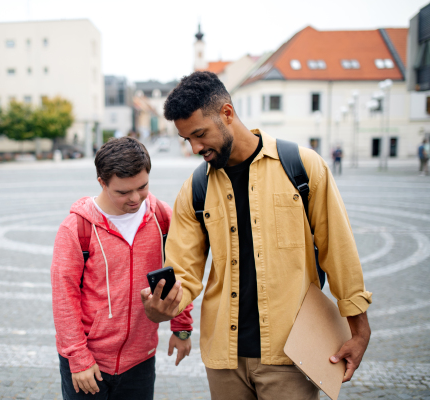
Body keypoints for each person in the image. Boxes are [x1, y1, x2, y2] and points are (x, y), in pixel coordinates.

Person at [141, 72, 372, 400]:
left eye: (200, 134)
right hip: (224, 360)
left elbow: (339, 251)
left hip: (291, 354)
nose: (194, 147)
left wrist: (360, 329)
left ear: (227, 113)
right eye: (187, 139)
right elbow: (183, 273)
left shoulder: (302, 167)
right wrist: (161, 306)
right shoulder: (195, 188)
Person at [51, 137, 194, 400]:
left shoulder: (162, 217)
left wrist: (181, 327)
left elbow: (179, 276)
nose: (135, 198)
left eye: (142, 187)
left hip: (140, 361)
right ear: (102, 183)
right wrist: (79, 358)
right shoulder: (76, 229)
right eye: (122, 192)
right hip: (89, 363)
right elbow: (64, 299)